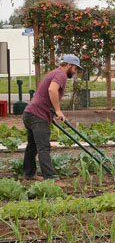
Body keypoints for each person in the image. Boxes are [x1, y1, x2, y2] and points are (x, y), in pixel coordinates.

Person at [22, 54, 82, 182]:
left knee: (32, 146)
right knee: (43, 147)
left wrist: (53, 112)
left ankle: (29, 175)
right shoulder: (61, 74)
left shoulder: (55, 72)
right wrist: (58, 110)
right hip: (37, 115)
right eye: (76, 68)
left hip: (29, 113)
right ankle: (51, 178)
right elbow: (52, 90)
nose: (76, 72)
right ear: (69, 65)